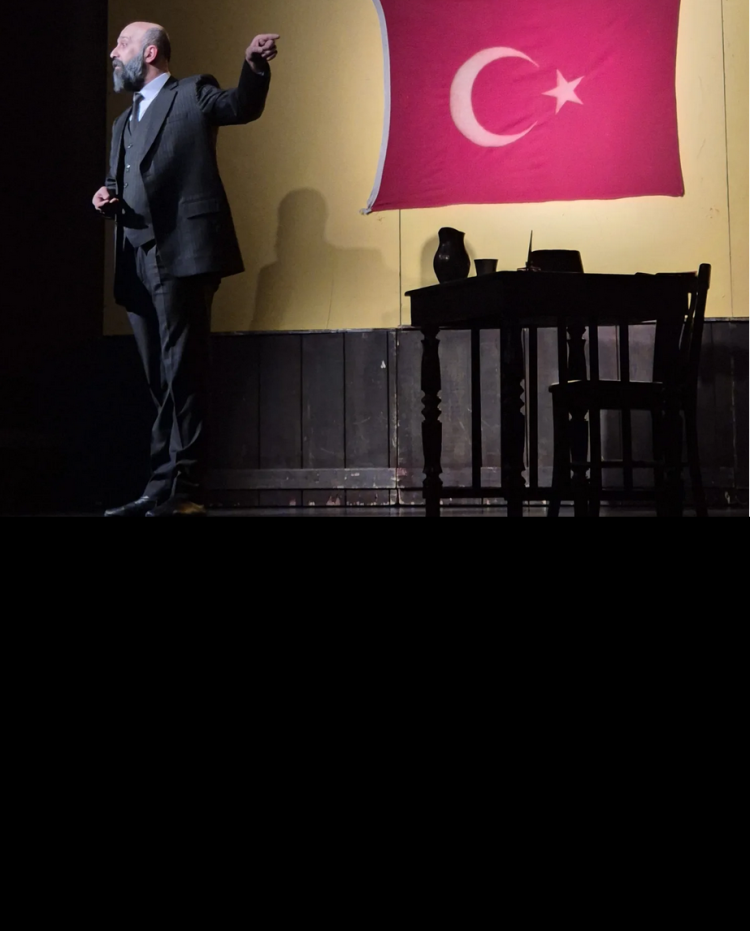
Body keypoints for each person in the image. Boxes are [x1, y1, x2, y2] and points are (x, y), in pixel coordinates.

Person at [93, 21, 279, 516]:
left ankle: (187, 488)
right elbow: (119, 182)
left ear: (150, 52)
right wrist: (105, 196)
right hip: (135, 260)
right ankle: (159, 485)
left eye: (123, 44)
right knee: (158, 377)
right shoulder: (122, 122)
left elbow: (241, 106)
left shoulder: (192, 93)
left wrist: (253, 65)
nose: (113, 53)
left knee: (184, 371)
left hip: (181, 254)